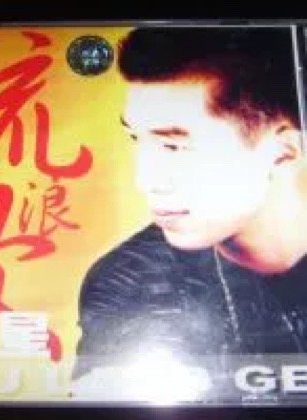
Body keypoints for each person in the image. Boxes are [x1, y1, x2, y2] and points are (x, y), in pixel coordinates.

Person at [72, 27, 307, 397]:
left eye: (174, 147)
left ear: (283, 152)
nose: (145, 181)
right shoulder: (129, 281)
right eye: (136, 138)